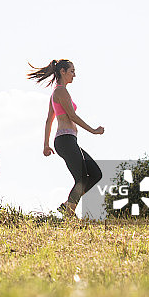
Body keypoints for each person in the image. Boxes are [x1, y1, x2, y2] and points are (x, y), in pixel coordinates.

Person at [28, 59, 104, 219]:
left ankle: (67, 206)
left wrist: (46, 145)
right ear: (62, 72)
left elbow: (49, 121)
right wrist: (93, 131)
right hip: (65, 140)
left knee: (95, 174)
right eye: (72, 71)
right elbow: (72, 116)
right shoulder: (61, 91)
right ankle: (69, 214)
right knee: (81, 178)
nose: (74, 75)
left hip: (67, 140)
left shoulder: (56, 93)